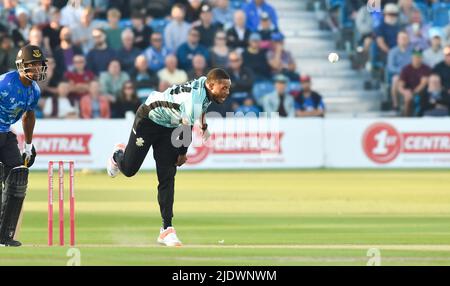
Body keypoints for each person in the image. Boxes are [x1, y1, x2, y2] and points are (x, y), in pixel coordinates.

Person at [106, 68, 232, 247]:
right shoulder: (194, 97)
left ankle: (166, 229)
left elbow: (202, 106)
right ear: (211, 85)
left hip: (169, 126)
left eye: (228, 88)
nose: (227, 92)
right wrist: (182, 154)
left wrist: (204, 125)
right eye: (224, 88)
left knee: (167, 175)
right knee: (129, 169)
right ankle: (118, 154)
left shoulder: (207, 84)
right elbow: (186, 129)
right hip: (149, 118)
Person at [0, 45, 47, 247]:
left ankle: (4, 235)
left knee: (18, 175)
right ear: (21, 66)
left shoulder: (34, 91)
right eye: (33, 65)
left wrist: (28, 146)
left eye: (39, 65)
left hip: (6, 132)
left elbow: (28, 116)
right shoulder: (3, 83)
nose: (37, 69)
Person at [398, 48, 431, 116]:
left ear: (422, 58)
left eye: (419, 57)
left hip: (422, 92)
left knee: (421, 97)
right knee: (407, 98)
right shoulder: (406, 69)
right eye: (415, 57)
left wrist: (413, 93)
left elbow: (423, 83)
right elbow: (400, 85)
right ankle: (406, 117)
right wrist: (405, 92)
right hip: (408, 91)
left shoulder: (426, 68)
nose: (417, 59)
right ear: (412, 58)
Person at [387, 31, 412, 111]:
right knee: (395, 79)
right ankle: (395, 104)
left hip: (411, 74)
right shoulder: (392, 52)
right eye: (402, 38)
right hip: (399, 75)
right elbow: (390, 67)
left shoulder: (413, 51)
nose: (404, 40)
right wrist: (402, 71)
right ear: (397, 40)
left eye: (405, 38)